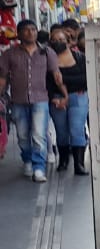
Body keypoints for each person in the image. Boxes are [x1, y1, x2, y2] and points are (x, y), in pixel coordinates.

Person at [0, 20, 66, 182]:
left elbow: (56, 75)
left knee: (39, 135)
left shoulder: (47, 52)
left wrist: (65, 94)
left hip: (40, 99)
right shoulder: (9, 54)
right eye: (26, 30)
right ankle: (27, 160)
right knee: (22, 136)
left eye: (33, 29)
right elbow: (2, 78)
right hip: (18, 99)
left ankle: (38, 168)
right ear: (19, 34)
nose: (31, 33)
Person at [47, 26, 88, 174]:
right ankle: (63, 160)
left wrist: (63, 79)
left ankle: (79, 164)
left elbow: (84, 80)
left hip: (78, 96)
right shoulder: (48, 60)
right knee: (61, 131)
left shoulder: (80, 58)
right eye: (54, 40)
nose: (58, 42)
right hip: (57, 100)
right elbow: (47, 82)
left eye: (61, 39)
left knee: (77, 129)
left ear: (68, 41)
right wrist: (54, 98)